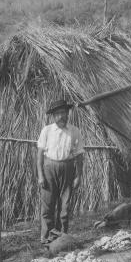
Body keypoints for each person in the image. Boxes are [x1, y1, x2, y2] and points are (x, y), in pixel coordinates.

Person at [36, 99, 85, 244]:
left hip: (68, 168)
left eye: (63, 113)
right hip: (49, 168)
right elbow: (39, 154)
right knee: (47, 205)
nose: (60, 116)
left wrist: (79, 176)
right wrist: (40, 175)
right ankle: (46, 239)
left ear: (67, 113)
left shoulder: (74, 131)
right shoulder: (47, 130)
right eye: (57, 114)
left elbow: (80, 155)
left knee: (64, 206)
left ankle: (62, 239)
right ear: (53, 116)